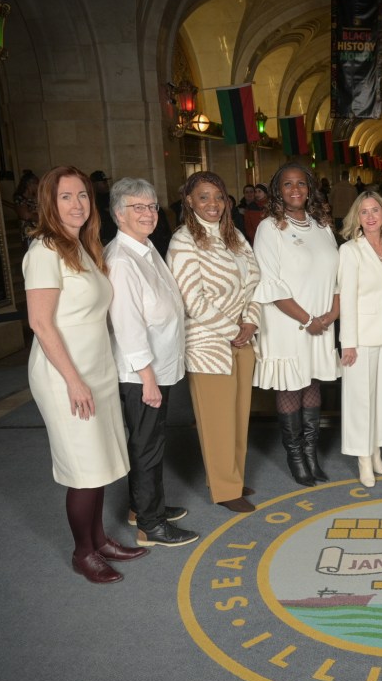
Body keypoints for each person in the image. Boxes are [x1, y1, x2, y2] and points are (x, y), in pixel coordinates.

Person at [23, 165, 144, 584]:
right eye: (65, 197)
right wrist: (74, 381)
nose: (77, 204)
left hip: (97, 368)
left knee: (103, 461)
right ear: (49, 203)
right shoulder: (44, 251)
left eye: (83, 196)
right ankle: (83, 553)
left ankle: (100, 540)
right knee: (84, 467)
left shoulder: (85, 247)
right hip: (64, 374)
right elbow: (41, 323)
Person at [105, 178, 198, 546]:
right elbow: (127, 326)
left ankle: (140, 506)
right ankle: (151, 525)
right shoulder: (121, 260)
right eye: (137, 207)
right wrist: (147, 377)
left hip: (157, 366)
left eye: (151, 206)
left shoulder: (144, 248)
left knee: (150, 441)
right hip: (141, 373)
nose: (147, 213)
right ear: (117, 214)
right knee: (147, 446)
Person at [168, 171, 261, 514]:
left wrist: (250, 321)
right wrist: (232, 330)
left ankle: (231, 476)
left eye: (218, 197)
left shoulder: (234, 235)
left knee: (238, 416)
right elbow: (192, 299)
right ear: (189, 201)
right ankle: (223, 488)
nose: (213, 204)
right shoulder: (183, 241)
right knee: (216, 419)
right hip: (209, 343)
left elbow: (255, 281)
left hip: (243, 338)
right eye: (204, 197)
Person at [253, 162, 340, 487]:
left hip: (321, 322)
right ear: (278, 190)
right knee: (292, 384)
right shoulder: (270, 228)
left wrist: (331, 315)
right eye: (287, 184)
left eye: (301, 184)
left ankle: (311, 452)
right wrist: (307, 320)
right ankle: (296, 457)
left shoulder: (322, 226)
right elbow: (270, 284)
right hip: (288, 323)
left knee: (312, 383)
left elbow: (335, 276)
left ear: (310, 188)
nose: (295, 190)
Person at [337, 191, 382, 487]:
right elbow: (347, 297)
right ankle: (363, 457)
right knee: (360, 398)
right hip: (361, 335)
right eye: (364, 212)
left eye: (375, 210)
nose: (371, 216)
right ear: (357, 218)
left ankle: (376, 450)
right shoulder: (350, 250)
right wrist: (347, 341)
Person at [12, 169, 39, 252]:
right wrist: (41, 217)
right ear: (29, 184)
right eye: (36, 184)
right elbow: (26, 215)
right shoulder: (19, 198)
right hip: (29, 234)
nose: (38, 186)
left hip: (38, 232)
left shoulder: (34, 198)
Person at [89, 170, 118, 245]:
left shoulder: (111, 196)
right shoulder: (91, 200)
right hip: (103, 238)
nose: (106, 184)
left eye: (106, 182)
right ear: (94, 184)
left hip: (115, 236)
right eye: (103, 182)